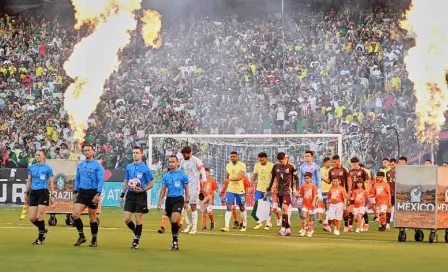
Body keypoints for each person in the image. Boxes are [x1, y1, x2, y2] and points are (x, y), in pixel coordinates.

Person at [120, 146, 154, 249]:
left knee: (138, 218)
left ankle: (136, 241)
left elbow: (151, 183)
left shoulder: (145, 168)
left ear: (141, 154)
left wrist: (143, 189)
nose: (135, 154)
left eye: (137, 153)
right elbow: (126, 181)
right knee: (126, 219)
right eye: (134, 153)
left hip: (140, 195)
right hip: (130, 195)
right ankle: (136, 231)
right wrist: (122, 194)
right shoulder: (129, 167)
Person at [72, 144, 105, 247]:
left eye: (88, 150)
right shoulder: (80, 165)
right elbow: (77, 179)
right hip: (82, 193)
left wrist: (98, 193)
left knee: (92, 217)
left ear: (93, 152)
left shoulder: (97, 165)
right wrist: (75, 191)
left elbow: (101, 180)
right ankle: (81, 236)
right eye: (85, 150)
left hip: (92, 193)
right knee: (75, 214)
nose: (86, 152)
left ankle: (94, 239)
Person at [157, 155, 189, 251]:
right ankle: (175, 242)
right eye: (170, 162)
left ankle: (175, 242)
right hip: (169, 200)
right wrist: (160, 200)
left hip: (179, 199)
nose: (171, 163)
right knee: (172, 223)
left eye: (173, 162)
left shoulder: (182, 175)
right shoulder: (166, 176)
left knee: (174, 220)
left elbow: (187, 188)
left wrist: (187, 200)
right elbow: (163, 189)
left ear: (177, 163)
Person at [24, 149, 55, 245]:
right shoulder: (32, 167)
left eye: (39, 155)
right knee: (32, 218)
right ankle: (44, 229)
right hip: (33, 192)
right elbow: (29, 181)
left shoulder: (48, 168)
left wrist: (52, 195)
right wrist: (26, 192)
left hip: (43, 192)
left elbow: (51, 182)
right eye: (36, 155)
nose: (37, 156)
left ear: (44, 156)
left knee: (40, 215)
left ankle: (40, 238)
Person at [265, 152, 299, 236]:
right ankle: (288, 229)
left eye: (282, 161)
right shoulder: (275, 166)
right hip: (279, 191)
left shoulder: (291, 166)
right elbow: (272, 178)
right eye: (279, 161)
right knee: (283, 210)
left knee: (284, 208)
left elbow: (296, 178)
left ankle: (282, 229)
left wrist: (297, 190)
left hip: (288, 191)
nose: (281, 162)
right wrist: (268, 189)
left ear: (286, 158)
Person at [179, 146, 207, 234]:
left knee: (193, 206)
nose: (183, 156)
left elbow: (202, 172)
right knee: (183, 206)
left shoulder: (196, 160)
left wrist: (204, 184)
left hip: (195, 187)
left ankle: (194, 228)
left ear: (189, 153)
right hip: (184, 187)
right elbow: (180, 171)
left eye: (184, 154)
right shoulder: (183, 161)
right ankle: (188, 224)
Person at [219, 151, 248, 232]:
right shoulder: (228, 166)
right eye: (231, 156)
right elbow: (227, 180)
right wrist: (223, 190)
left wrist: (230, 179)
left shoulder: (242, 165)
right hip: (230, 190)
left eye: (234, 156)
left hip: (240, 190)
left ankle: (244, 225)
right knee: (228, 206)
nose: (232, 158)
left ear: (237, 157)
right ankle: (226, 226)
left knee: (241, 206)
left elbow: (240, 177)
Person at [252, 152, 274, 230]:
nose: (261, 161)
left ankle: (268, 223)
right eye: (259, 159)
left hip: (268, 190)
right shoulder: (257, 165)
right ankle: (259, 222)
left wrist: (272, 187)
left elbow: (275, 177)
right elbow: (254, 177)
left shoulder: (271, 165)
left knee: (268, 206)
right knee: (258, 205)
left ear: (266, 158)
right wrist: (252, 186)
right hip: (259, 189)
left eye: (262, 159)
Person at [327, 155, 349, 231]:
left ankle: (346, 225)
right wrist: (321, 178)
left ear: (339, 161)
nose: (334, 163)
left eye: (335, 162)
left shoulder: (344, 169)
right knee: (332, 211)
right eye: (333, 162)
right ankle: (331, 225)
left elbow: (349, 180)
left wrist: (348, 192)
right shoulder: (331, 170)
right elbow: (329, 181)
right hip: (334, 192)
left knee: (345, 210)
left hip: (343, 191)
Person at [298, 151, 321, 222]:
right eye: (305, 156)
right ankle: (304, 222)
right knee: (299, 206)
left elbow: (318, 179)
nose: (306, 157)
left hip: (312, 190)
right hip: (304, 190)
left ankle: (311, 225)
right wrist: (299, 189)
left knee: (312, 207)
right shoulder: (302, 167)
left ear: (312, 157)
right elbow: (301, 178)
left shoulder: (316, 166)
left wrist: (319, 191)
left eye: (308, 156)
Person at [347, 157, 369, 232]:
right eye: (352, 164)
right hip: (353, 192)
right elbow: (349, 182)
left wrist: (367, 190)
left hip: (361, 193)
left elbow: (367, 181)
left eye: (355, 164)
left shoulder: (362, 171)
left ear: (358, 163)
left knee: (362, 208)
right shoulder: (350, 171)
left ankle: (365, 222)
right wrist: (349, 192)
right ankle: (351, 225)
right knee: (351, 209)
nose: (354, 165)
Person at [298, 172, 318, 237]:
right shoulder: (303, 186)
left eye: (308, 178)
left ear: (311, 178)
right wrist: (298, 195)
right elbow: (301, 195)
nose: (306, 179)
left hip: (311, 205)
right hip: (304, 204)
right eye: (305, 178)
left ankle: (310, 231)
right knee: (303, 217)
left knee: (310, 219)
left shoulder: (313, 186)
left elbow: (315, 195)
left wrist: (313, 202)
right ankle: (303, 230)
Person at [318, 157, 332, 225]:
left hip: (330, 190)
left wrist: (322, 177)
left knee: (328, 204)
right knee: (321, 204)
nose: (329, 163)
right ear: (324, 163)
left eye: (330, 162)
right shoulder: (320, 170)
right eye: (328, 162)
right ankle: (320, 220)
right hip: (322, 190)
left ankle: (327, 219)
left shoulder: (332, 170)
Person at [385, 158, 397, 229]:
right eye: (391, 164)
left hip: (398, 193)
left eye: (393, 164)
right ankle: (387, 223)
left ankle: (401, 223)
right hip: (390, 193)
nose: (392, 166)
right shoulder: (388, 172)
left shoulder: (399, 172)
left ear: (396, 164)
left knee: (398, 208)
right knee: (389, 207)